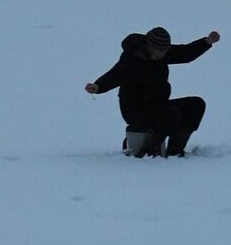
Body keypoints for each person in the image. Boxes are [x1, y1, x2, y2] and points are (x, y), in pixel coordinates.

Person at [85, 26, 219, 157]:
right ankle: (147, 151)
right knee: (171, 113)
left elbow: (185, 53)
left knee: (196, 104)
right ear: (148, 47)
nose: (162, 54)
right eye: (158, 51)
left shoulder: (163, 54)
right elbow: (114, 75)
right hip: (135, 111)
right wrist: (98, 86)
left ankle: (175, 151)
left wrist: (206, 42)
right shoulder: (131, 60)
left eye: (165, 51)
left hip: (157, 107)